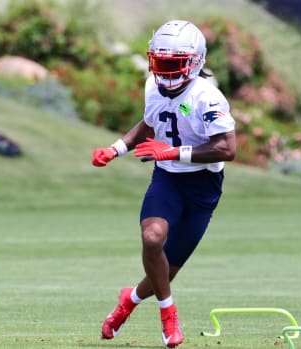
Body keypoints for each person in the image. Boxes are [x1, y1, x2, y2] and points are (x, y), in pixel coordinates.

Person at [91, 19, 236, 348]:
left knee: (165, 271)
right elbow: (150, 123)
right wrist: (116, 148)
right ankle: (168, 315)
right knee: (152, 239)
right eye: (160, 63)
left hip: (203, 187)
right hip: (167, 178)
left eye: (174, 64)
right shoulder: (152, 86)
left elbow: (228, 148)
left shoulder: (207, 97)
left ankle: (129, 300)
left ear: (194, 62)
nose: (165, 72)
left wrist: (171, 151)